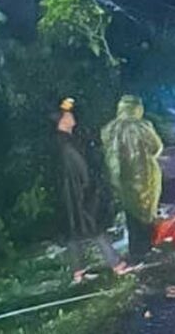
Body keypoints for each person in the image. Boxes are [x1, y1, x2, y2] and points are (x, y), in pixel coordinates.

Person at [54, 98, 127, 282]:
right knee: (94, 226)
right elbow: (83, 169)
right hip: (80, 194)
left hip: (69, 195)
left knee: (74, 231)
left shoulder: (60, 141)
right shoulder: (68, 145)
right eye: (68, 115)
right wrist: (92, 187)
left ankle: (78, 272)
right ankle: (116, 264)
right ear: (62, 121)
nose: (72, 118)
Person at [101, 95, 164, 260]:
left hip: (120, 179)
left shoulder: (109, 128)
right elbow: (156, 147)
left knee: (130, 213)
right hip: (144, 177)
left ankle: (134, 249)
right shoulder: (142, 126)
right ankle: (146, 248)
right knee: (146, 211)